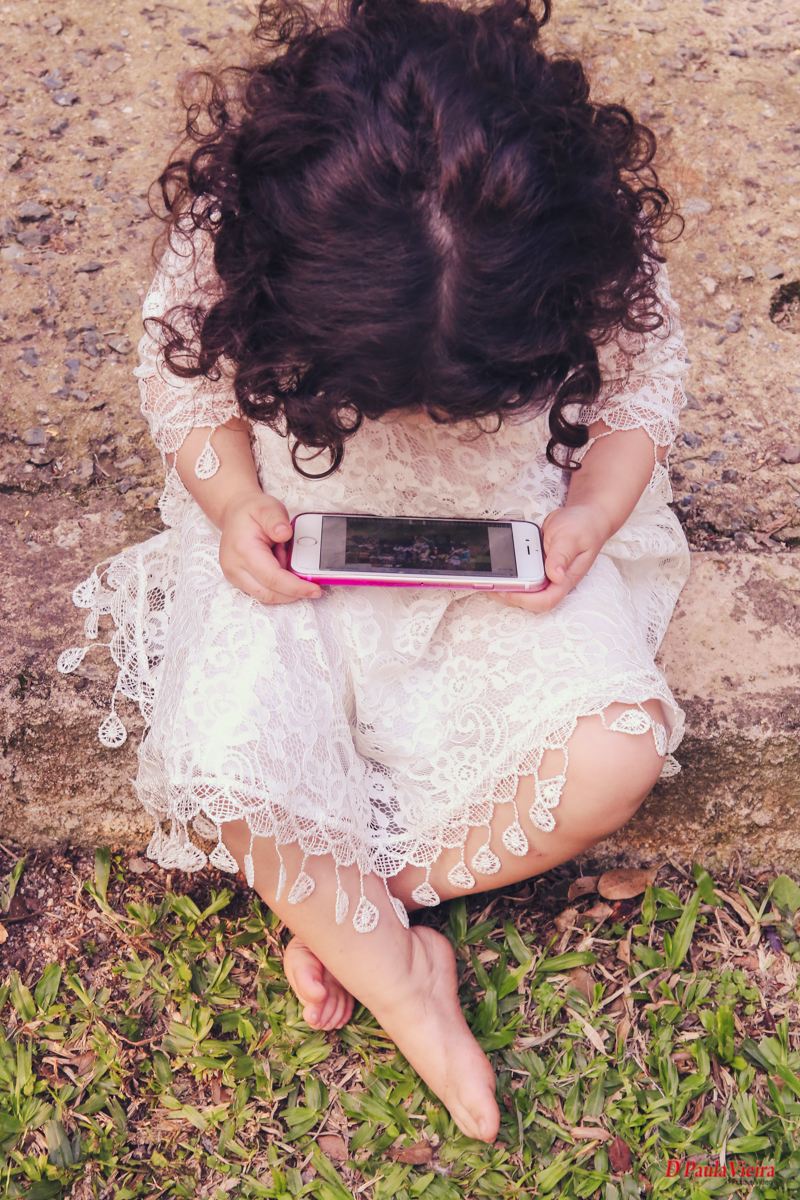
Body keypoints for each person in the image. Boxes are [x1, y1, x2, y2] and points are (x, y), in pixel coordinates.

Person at [59, 0, 690, 1143]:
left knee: (619, 752)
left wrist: (592, 511)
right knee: (220, 762)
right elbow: (189, 390)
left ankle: (355, 911)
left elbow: (643, 388)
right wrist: (233, 501)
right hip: (301, 548)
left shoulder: (575, 241)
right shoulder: (241, 229)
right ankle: (401, 978)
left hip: (511, 544)